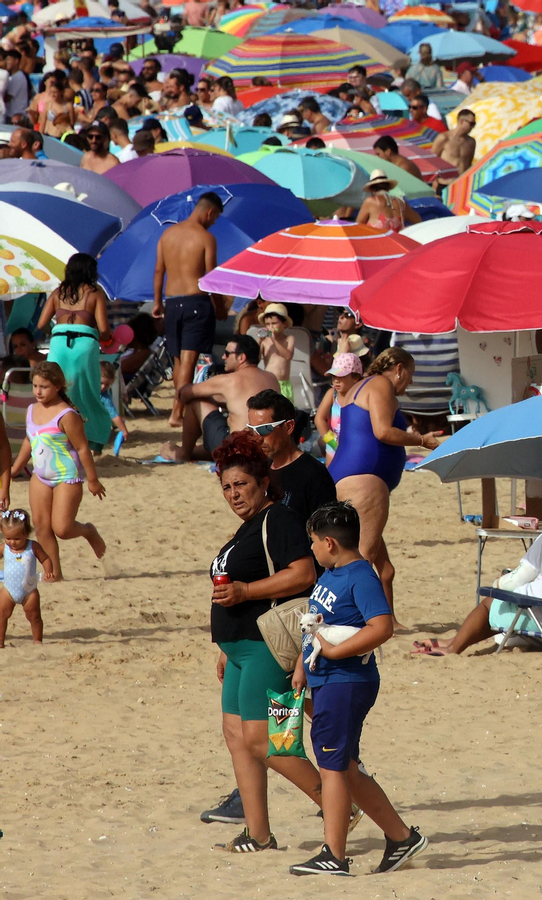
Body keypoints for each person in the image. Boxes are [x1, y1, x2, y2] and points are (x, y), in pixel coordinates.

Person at [289, 502, 428, 876]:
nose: (313, 549)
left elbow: (382, 627)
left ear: (330, 543)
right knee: (347, 768)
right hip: (329, 680)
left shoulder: (360, 576)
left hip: (346, 682)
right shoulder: (331, 575)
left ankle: (333, 855)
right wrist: (304, 663)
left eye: (314, 542)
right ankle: (401, 838)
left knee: (331, 767)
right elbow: (316, 623)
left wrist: (333, 651)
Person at [206, 431, 322, 853]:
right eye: (226, 486)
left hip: (267, 648)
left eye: (241, 484)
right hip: (239, 651)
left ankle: (340, 801)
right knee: (237, 737)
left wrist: (244, 591)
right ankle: (258, 833)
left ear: (262, 483)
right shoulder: (247, 528)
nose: (233, 493)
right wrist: (224, 645)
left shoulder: (279, 518)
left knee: (269, 740)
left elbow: (304, 573)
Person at [421, 478, 542, 657]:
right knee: (511, 600)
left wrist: (498, 581)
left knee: (492, 600)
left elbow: (518, 579)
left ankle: (453, 648)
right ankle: (451, 642)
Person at [326, 349, 443, 604]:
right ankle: (353, 621)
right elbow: (383, 432)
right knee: (362, 558)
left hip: (343, 475)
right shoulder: (381, 384)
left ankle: (389, 619)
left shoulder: (359, 386)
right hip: (365, 481)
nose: (409, 383)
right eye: (409, 376)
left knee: (383, 567)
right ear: (398, 368)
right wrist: (422, 440)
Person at [13, 362, 105, 581]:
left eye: (43, 386)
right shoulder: (31, 410)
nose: (37, 391)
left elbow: (83, 448)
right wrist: (15, 468)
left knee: (62, 529)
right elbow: (29, 440)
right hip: (40, 477)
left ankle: (88, 530)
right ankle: (54, 574)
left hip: (67, 477)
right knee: (42, 527)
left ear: (57, 386)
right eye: (34, 386)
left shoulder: (66, 415)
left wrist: (93, 480)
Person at [154, 191, 223, 430]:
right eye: (215, 219)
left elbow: (159, 271)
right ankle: (177, 411)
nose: (214, 223)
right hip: (196, 302)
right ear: (209, 212)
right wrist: (221, 305)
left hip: (172, 302)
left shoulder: (167, 234)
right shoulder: (206, 237)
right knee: (188, 361)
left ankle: (180, 407)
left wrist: (157, 303)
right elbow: (210, 277)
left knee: (177, 361)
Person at [36, 253, 112, 450]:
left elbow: (41, 324)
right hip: (84, 344)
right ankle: (91, 439)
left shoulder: (57, 292)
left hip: (60, 343)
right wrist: (108, 339)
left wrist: (56, 333)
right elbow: (103, 329)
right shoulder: (95, 293)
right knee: (87, 391)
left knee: (57, 390)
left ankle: (57, 433)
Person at [164, 334, 279, 463]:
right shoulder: (271, 378)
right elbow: (244, 404)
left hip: (238, 449)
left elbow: (185, 393)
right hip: (266, 449)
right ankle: (191, 451)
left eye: (227, 353)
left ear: (241, 357)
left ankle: (182, 453)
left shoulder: (229, 380)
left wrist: (201, 397)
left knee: (196, 400)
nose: (223, 357)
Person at [247, 390, 337, 527]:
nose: (257, 438)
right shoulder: (260, 469)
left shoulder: (313, 475)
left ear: (289, 427)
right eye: (252, 429)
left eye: (264, 429)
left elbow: (327, 530)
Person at [0, 509, 46, 646]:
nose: (12, 542)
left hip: (29, 591)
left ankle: (37, 639)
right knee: (1, 615)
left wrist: (49, 570)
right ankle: (0, 640)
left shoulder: (33, 547)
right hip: (8, 590)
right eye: (8, 538)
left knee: (34, 616)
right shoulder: (4, 548)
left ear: (26, 534)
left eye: (16, 539)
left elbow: (45, 559)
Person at [255, 302, 295, 398]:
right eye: (268, 324)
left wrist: (275, 341)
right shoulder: (265, 341)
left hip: (284, 383)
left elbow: (288, 356)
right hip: (269, 382)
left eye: (274, 323)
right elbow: (256, 359)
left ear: (284, 324)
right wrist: (259, 342)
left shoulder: (289, 339)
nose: (271, 327)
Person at [431, 109, 476, 185]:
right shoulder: (444, 138)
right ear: (461, 121)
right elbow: (431, 161)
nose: (473, 127)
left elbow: (468, 164)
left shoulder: (471, 142)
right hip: (444, 183)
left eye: (474, 124)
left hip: (462, 183)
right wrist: (435, 182)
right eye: (471, 124)